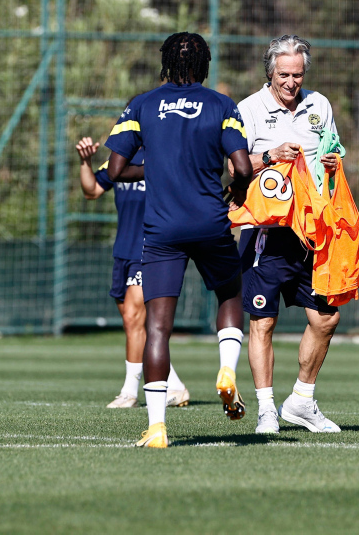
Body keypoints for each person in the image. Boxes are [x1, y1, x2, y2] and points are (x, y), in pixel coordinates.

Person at [105, 32, 253, 448]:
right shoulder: (222, 105)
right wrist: (235, 185)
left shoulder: (141, 104)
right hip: (209, 222)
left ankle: (156, 428)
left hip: (162, 231)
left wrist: (157, 171)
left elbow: (115, 170)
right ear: (204, 65)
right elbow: (241, 166)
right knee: (229, 293)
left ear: (166, 63)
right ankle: (226, 370)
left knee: (157, 328)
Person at [236, 35, 343, 435]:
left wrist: (332, 160)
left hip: (311, 232)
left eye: (298, 75)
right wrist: (269, 156)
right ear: (270, 72)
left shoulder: (320, 105)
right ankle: (266, 409)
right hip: (267, 233)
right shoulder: (248, 109)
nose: (291, 82)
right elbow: (232, 166)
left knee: (327, 317)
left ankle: (301, 401)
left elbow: (332, 149)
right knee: (263, 321)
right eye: (284, 74)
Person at [75, 135, 189, 409]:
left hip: (151, 248)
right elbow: (92, 190)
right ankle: (174, 385)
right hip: (123, 250)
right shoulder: (119, 160)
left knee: (133, 317)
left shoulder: (167, 156)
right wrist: (85, 161)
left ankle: (129, 391)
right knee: (138, 322)